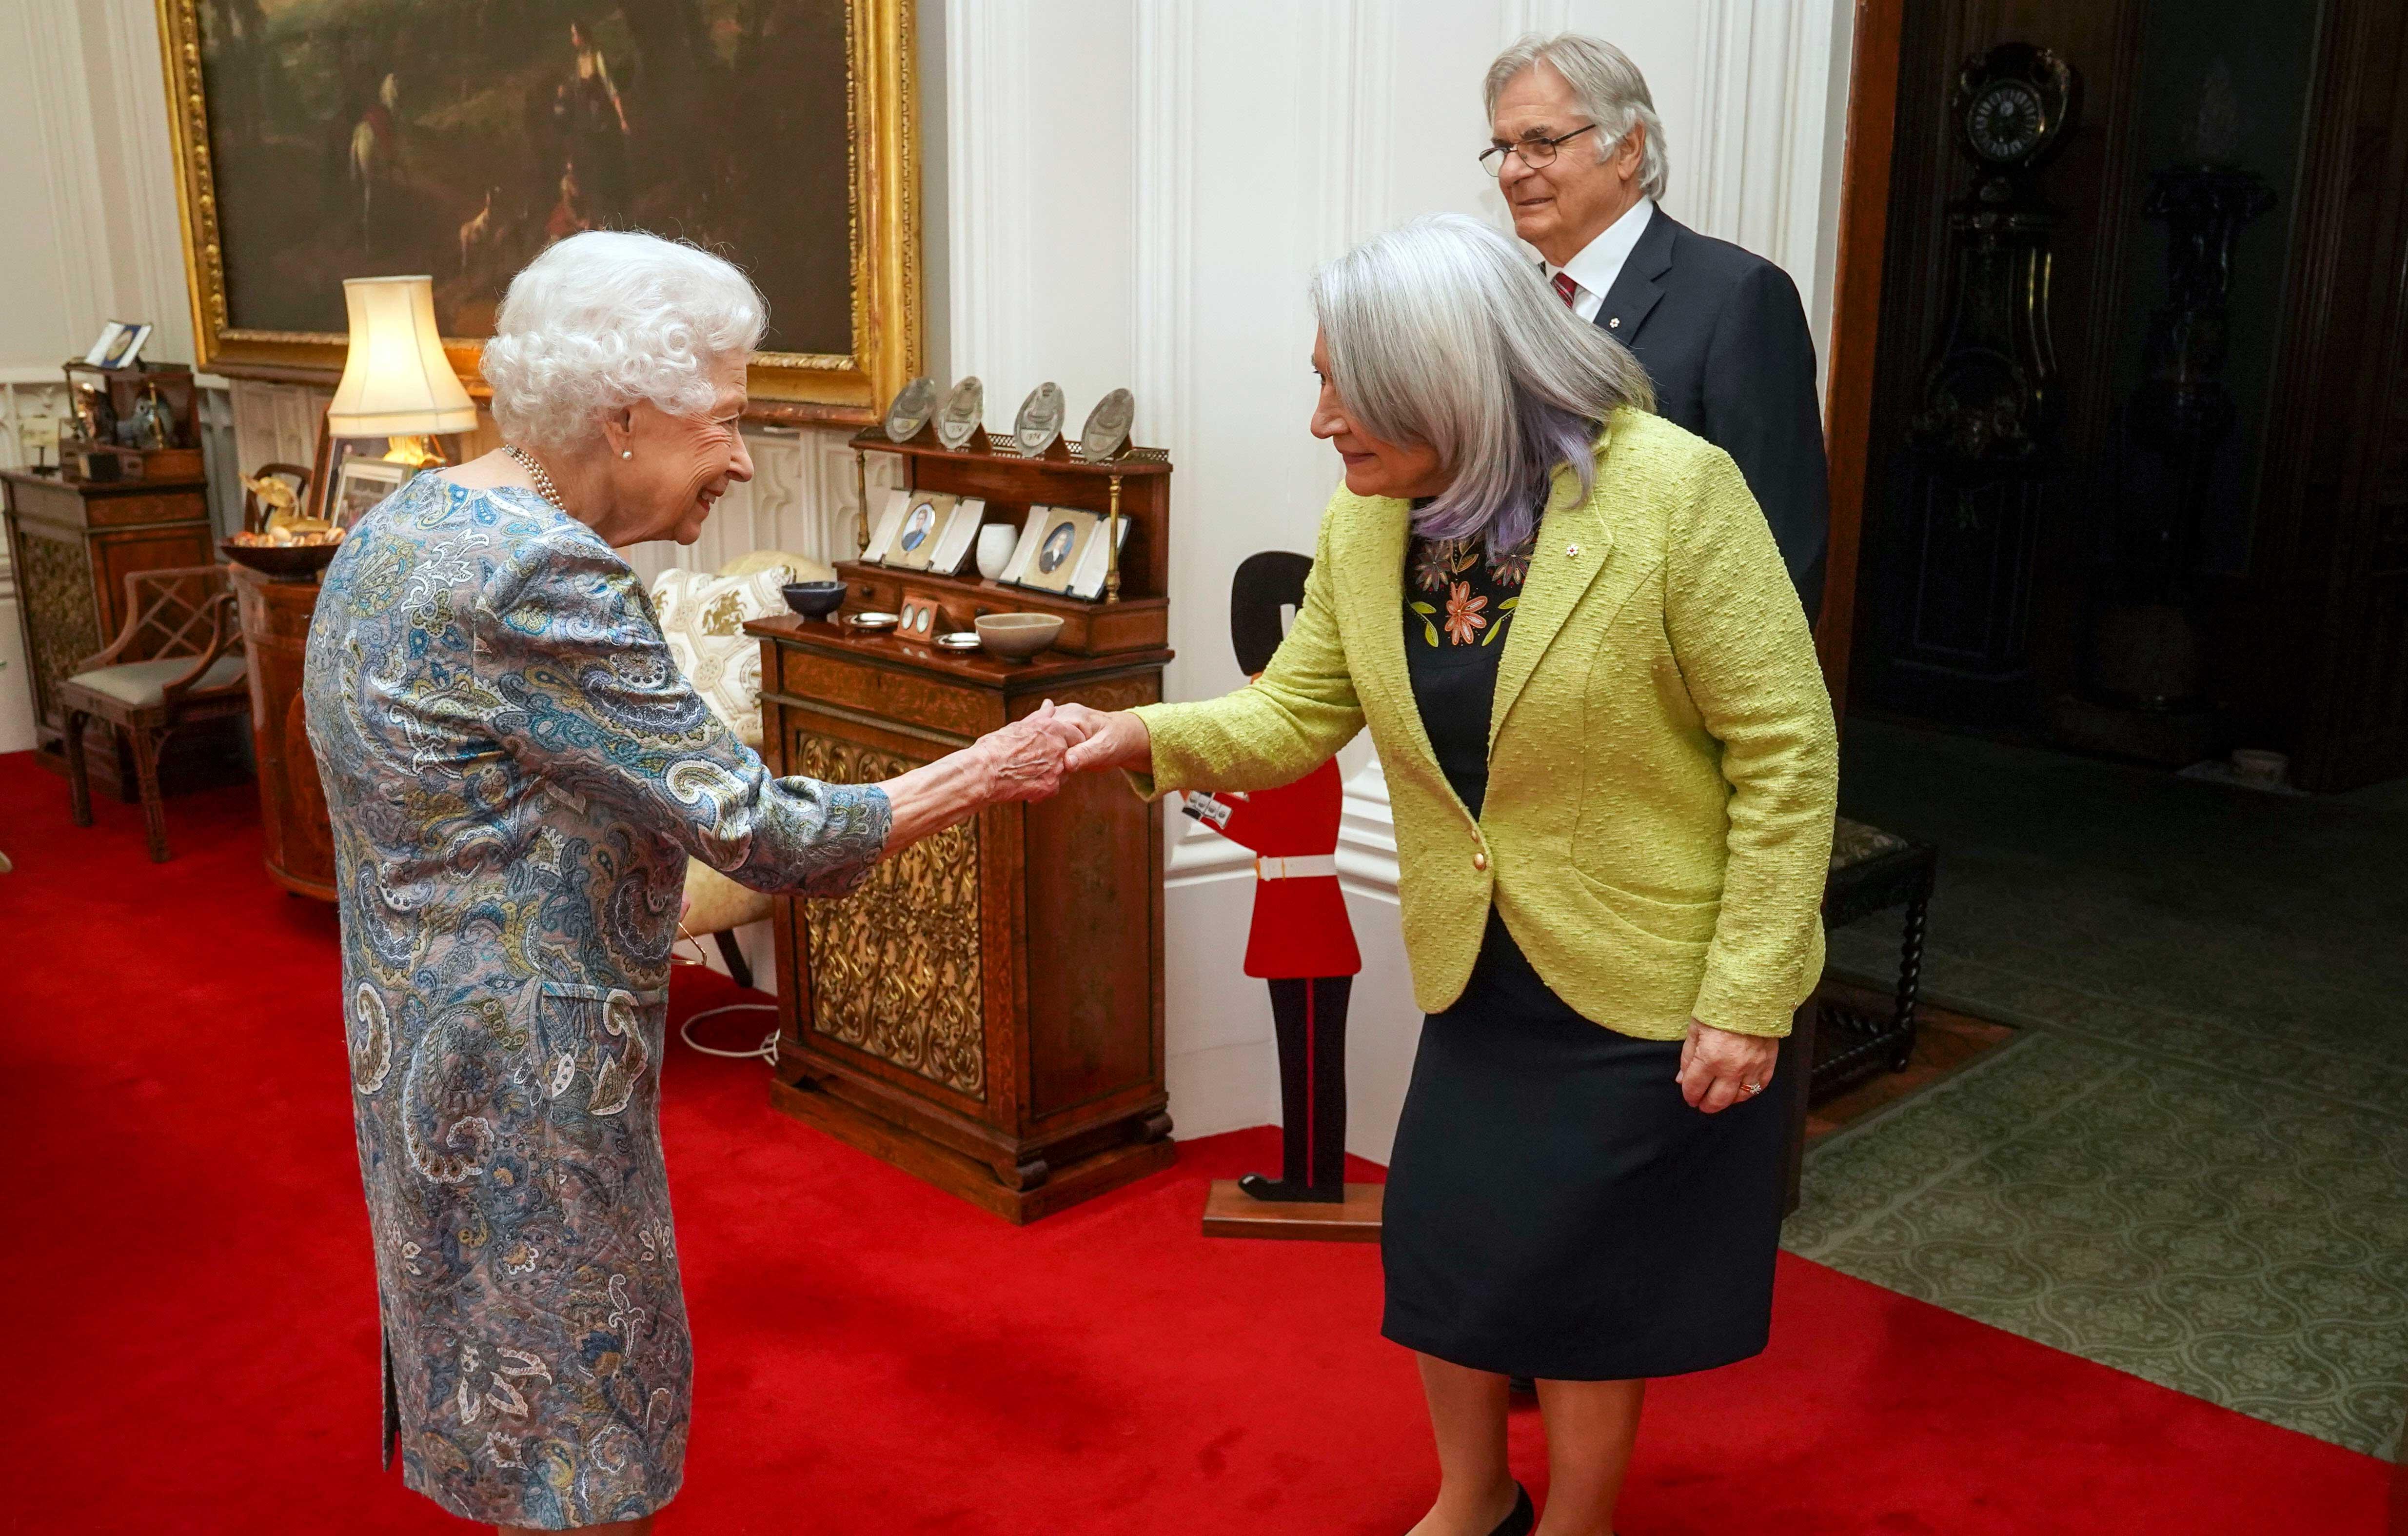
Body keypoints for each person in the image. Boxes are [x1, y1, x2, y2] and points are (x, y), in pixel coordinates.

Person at [1054, 215, 1837, 1536]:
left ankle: (1576, 1521)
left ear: (1444, 378)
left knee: (1583, 1285)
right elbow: (1295, 712)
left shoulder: (1672, 492)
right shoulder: (1372, 524)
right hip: (1482, 969)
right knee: (1451, 1246)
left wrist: (1749, 990)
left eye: (1338, 387)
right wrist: (1130, 734)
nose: (1317, 421)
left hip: (1644, 972)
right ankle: (1473, 1497)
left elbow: (1787, 749)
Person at [302, 231, 1076, 1535]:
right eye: (724, 420)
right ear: (622, 420)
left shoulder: (417, 517)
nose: (742, 456)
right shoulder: (543, 572)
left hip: (416, 1049)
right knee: (575, 1433)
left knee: (493, 1377)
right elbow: (762, 830)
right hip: (530, 1082)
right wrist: (981, 769)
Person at [1485, 33, 1831, 620]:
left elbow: (1780, 541)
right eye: (1504, 148)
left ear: (1627, 149)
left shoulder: (1738, 295)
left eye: (1541, 143)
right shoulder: (1512, 304)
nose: (1514, 170)